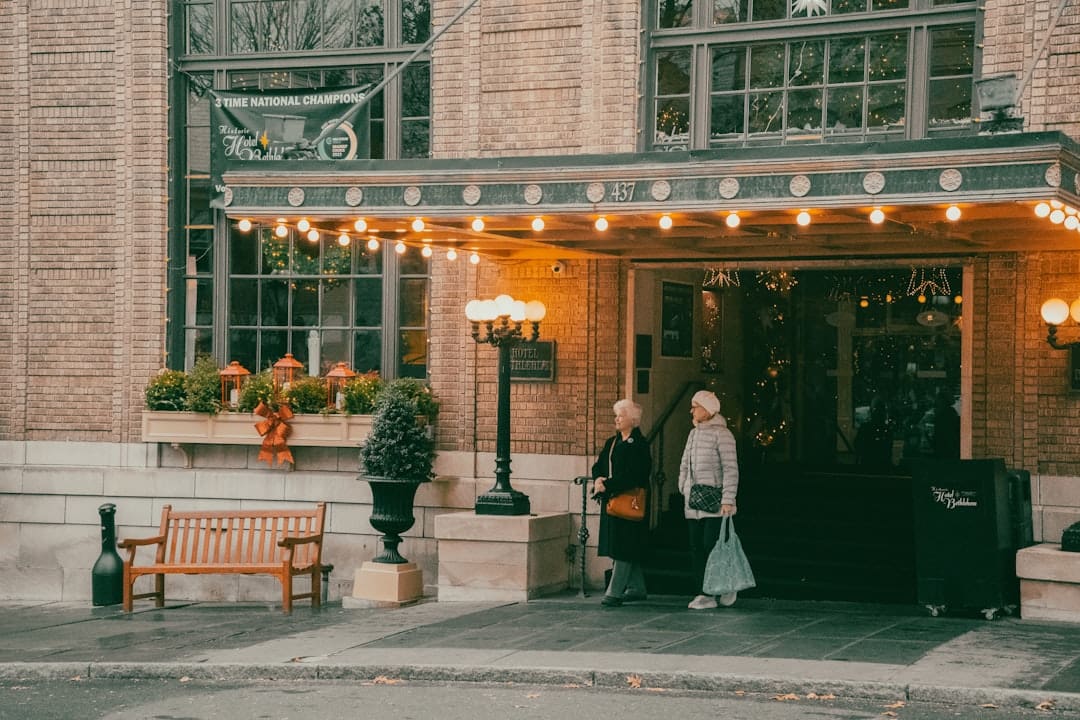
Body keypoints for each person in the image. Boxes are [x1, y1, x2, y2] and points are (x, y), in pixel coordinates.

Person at [678, 389, 739, 610]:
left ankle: (717, 588)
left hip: (715, 501)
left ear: (708, 410)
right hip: (693, 501)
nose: (692, 410)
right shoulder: (693, 434)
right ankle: (704, 591)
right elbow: (685, 463)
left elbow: (730, 469)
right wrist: (684, 487)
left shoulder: (723, 435)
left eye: (696, 406)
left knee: (711, 545)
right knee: (696, 547)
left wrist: (728, 499)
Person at [591, 399, 652, 607]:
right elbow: (598, 465)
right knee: (620, 544)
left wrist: (608, 484)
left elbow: (635, 475)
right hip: (612, 501)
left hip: (630, 502)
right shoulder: (612, 442)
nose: (616, 419)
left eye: (621, 415)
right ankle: (637, 587)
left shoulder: (640, 445)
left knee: (624, 546)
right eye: (616, 415)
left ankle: (614, 592)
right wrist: (598, 479)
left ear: (632, 420)